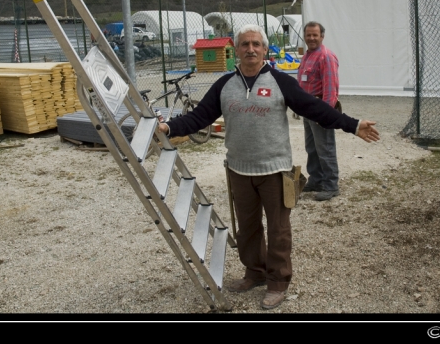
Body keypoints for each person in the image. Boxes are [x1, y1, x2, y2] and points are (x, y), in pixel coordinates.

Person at [157, 24, 380, 310]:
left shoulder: (280, 82)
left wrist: (353, 125)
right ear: (236, 50)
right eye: (245, 44)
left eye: (256, 44)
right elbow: (199, 117)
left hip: (275, 171)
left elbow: (315, 107)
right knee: (247, 228)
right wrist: (169, 125)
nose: (251, 49)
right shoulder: (225, 85)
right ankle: (255, 272)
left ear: (264, 50)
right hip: (239, 170)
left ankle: (278, 282)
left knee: (278, 230)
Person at [297, 21, 342, 201]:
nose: (312, 38)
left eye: (315, 35)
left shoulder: (326, 57)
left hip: (318, 108)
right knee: (312, 147)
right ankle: (316, 180)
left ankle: (331, 185)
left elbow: (331, 89)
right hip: (307, 109)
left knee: (325, 148)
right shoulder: (308, 55)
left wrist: (325, 114)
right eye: (309, 35)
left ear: (322, 36)